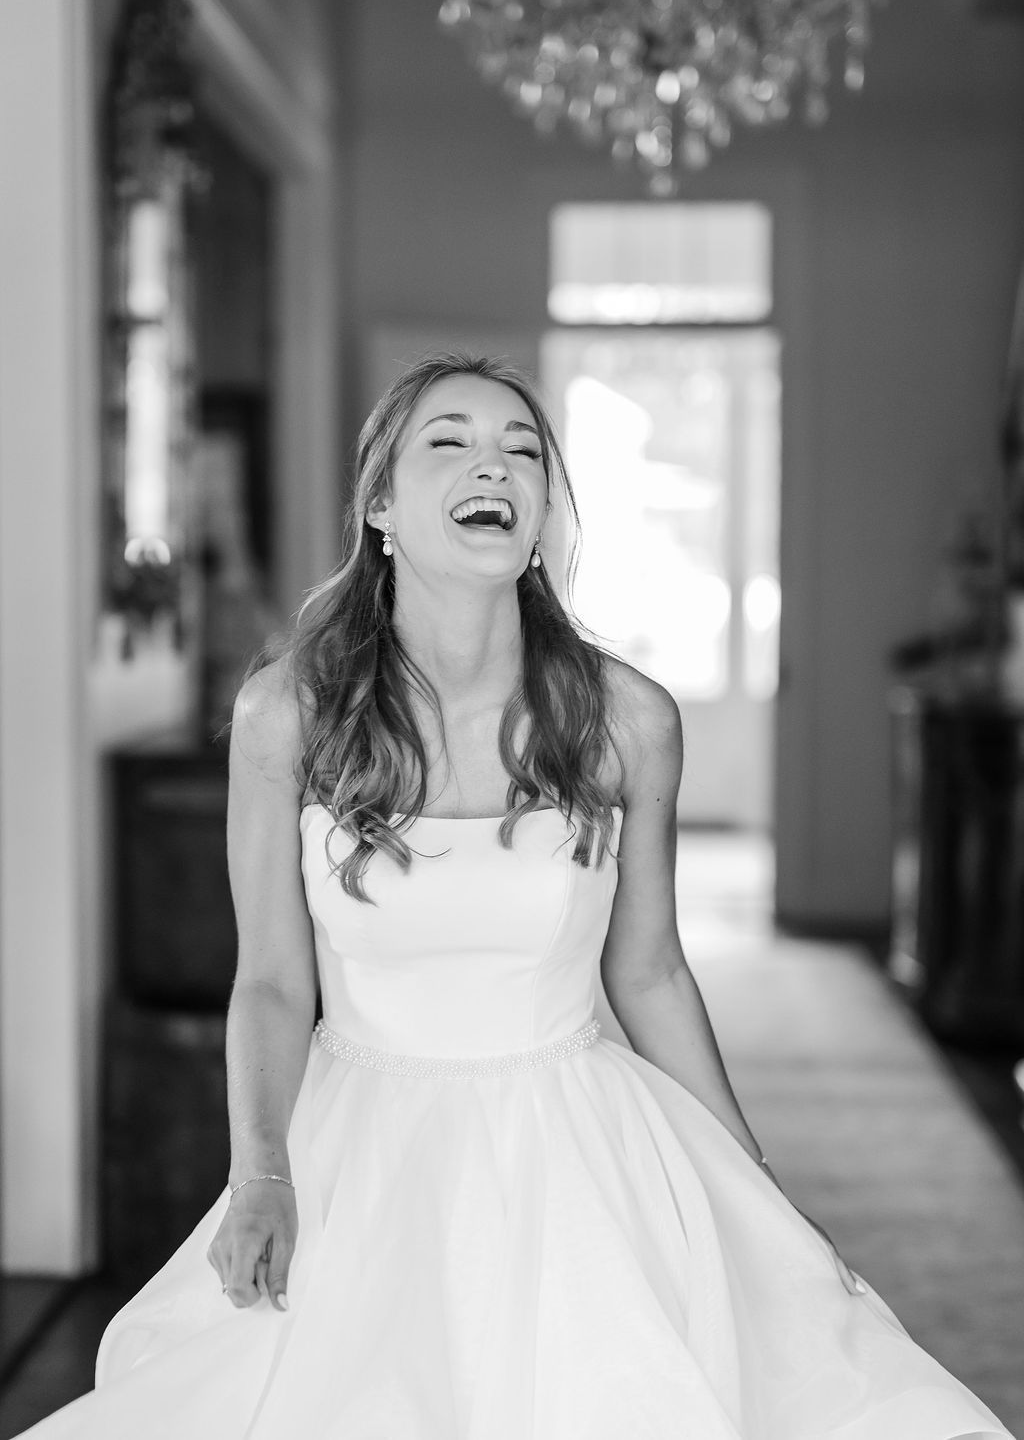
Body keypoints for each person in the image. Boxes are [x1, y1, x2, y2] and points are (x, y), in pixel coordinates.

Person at [17, 352, 1013, 1439]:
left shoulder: (628, 719)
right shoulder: (285, 716)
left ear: (541, 514)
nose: (492, 464)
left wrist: (756, 1191)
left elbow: (649, 972)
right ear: (381, 506)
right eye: (448, 441)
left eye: (521, 450)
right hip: (360, 1160)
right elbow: (267, 981)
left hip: (579, 1156)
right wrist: (259, 1171)